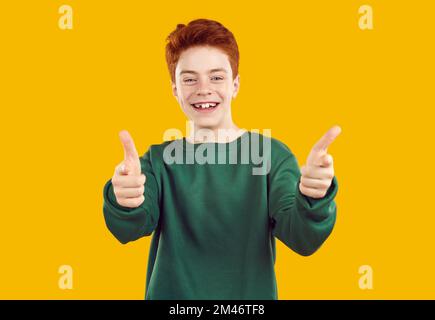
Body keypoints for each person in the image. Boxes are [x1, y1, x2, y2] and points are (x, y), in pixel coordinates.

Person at [102, 18, 341, 300]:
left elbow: (302, 237)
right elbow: (130, 226)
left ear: (236, 84)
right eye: (189, 78)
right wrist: (125, 200)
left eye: (216, 77)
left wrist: (313, 198)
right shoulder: (157, 162)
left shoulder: (271, 157)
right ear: (175, 89)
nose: (203, 88)